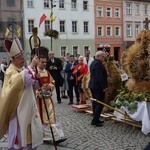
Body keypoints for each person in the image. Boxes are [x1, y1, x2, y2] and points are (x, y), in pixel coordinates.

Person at [0, 37, 43, 149]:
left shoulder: (21, 68)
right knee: (20, 139)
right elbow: (18, 82)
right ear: (13, 60)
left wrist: (36, 79)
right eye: (20, 59)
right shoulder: (10, 71)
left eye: (23, 58)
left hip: (28, 109)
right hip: (18, 111)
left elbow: (30, 85)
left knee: (30, 136)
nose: (23, 60)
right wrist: (31, 67)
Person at [36, 55, 65, 143]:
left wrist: (49, 86)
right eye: (42, 62)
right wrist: (38, 92)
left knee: (50, 117)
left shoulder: (47, 72)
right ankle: (44, 136)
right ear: (38, 62)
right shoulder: (34, 72)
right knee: (41, 118)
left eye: (45, 62)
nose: (44, 64)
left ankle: (56, 136)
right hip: (38, 100)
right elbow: (31, 86)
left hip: (48, 99)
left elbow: (52, 82)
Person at [89, 51, 108, 127]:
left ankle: (95, 117)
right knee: (100, 102)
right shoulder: (98, 64)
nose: (103, 58)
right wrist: (103, 87)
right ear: (98, 56)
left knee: (95, 102)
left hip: (93, 85)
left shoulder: (93, 63)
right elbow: (99, 77)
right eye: (103, 56)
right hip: (97, 86)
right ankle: (95, 120)